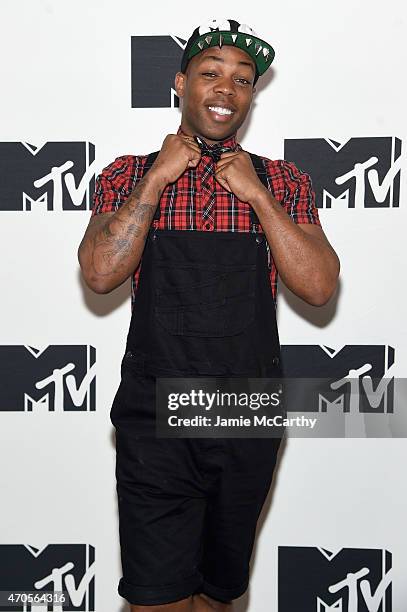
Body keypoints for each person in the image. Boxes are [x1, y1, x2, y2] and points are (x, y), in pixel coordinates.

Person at [78, 18, 340, 612]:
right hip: (156, 413)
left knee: (218, 598)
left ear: (252, 94)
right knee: (154, 599)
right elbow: (98, 272)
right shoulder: (126, 173)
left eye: (243, 80)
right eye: (211, 74)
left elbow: (320, 287)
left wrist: (258, 197)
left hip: (243, 412)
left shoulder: (282, 180)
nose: (226, 91)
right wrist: (156, 180)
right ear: (180, 83)